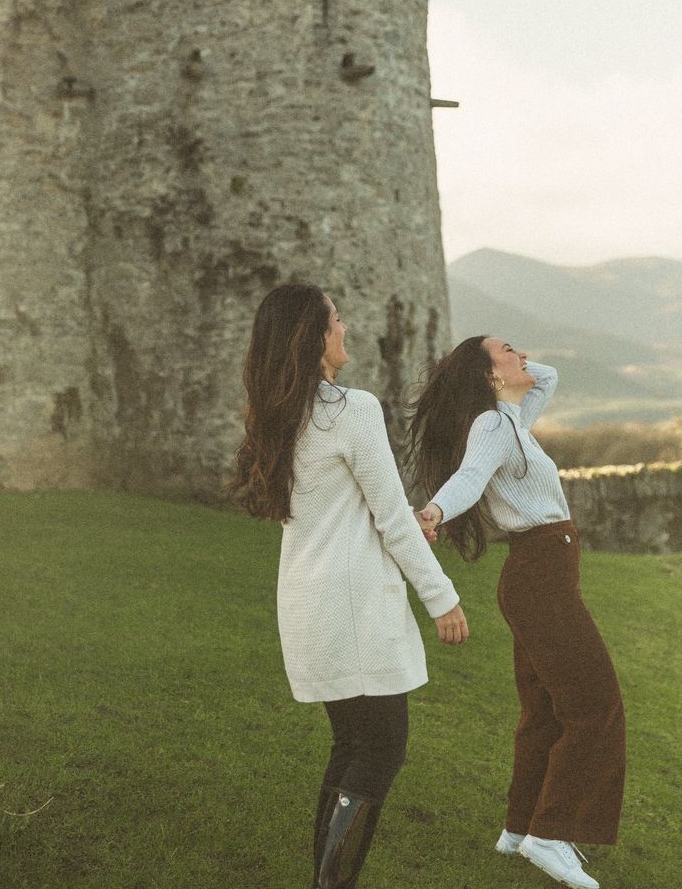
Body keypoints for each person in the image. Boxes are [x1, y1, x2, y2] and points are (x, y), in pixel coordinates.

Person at [230, 283, 468, 889]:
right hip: (354, 607)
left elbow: (351, 511)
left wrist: (397, 525)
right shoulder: (350, 409)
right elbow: (389, 515)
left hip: (310, 602)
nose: (345, 329)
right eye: (336, 321)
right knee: (381, 752)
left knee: (351, 750)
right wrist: (443, 598)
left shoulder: (279, 417)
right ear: (313, 338)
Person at [408, 336, 625, 889]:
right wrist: (434, 509)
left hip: (544, 573)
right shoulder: (492, 427)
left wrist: (512, 369)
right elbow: (469, 478)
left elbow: (546, 378)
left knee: (545, 710)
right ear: (487, 376)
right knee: (593, 703)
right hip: (540, 576)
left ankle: (519, 827)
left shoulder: (511, 419)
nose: (524, 354)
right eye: (509, 349)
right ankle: (549, 835)